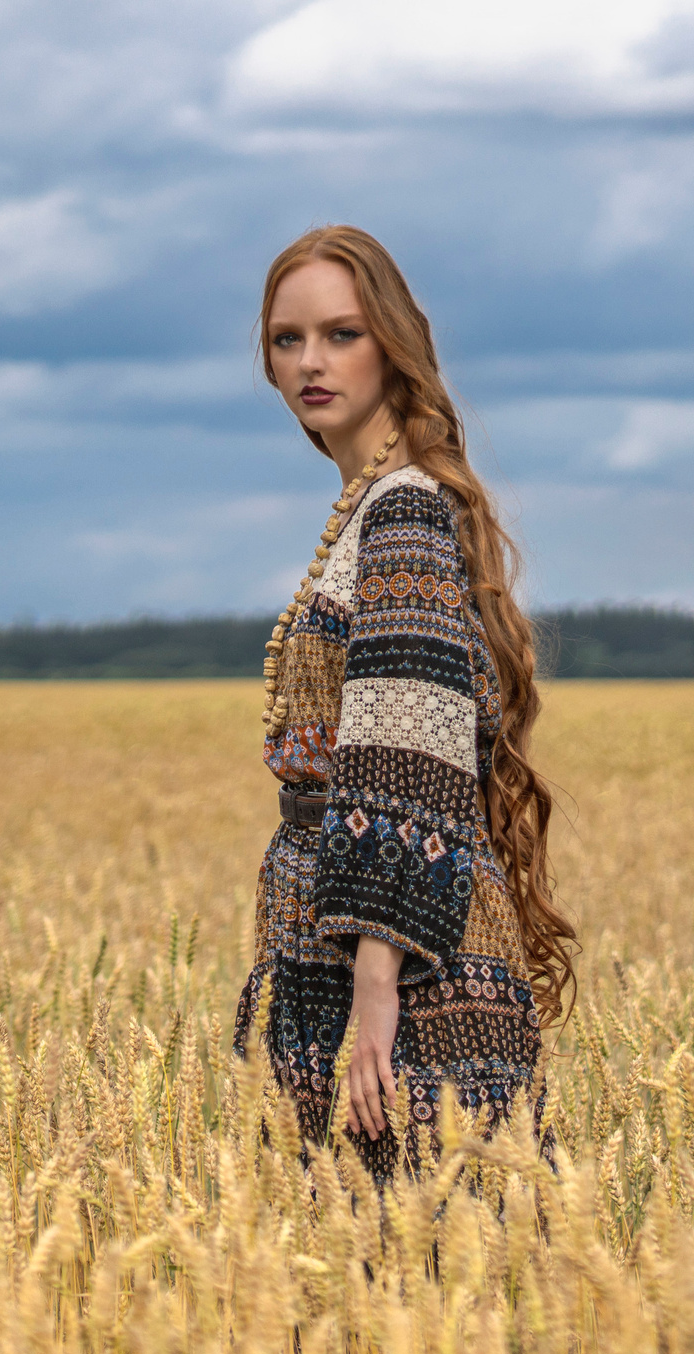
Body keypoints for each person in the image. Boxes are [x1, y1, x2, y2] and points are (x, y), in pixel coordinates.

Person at [234, 225, 577, 1182]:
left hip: (407, 959)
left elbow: (405, 748)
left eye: (342, 334)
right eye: (286, 339)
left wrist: (376, 987)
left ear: (394, 342)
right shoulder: (371, 503)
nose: (311, 362)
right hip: (341, 935)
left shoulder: (402, 509)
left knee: (431, 1267)